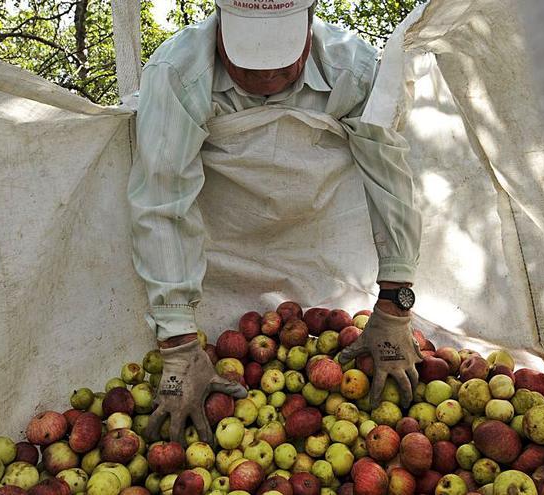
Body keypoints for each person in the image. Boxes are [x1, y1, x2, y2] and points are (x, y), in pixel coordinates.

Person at [129, 0, 423, 445]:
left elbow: (389, 179)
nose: (266, 76)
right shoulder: (178, 73)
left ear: (310, 22)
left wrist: (395, 303)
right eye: (248, 58)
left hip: (323, 248)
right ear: (220, 23)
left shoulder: (353, 68)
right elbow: (162, 201)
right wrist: (178, 343)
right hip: (218, 255)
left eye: (280, 58)